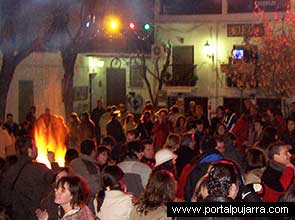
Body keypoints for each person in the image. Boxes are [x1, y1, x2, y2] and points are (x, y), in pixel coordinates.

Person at [0, 136, 55, 220]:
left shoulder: (11, 168)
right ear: (30, 151)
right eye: (35, 146)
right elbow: (57, 178)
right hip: (34, 215)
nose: (37, 149)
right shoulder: (39, 169)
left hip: (16, 215)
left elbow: (4, 196)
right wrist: (52, 162)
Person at [70, 140, 101, 211]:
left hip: (74, 200)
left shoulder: (73, 163)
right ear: (93, 152)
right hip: (88, 204)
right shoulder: (91, 166)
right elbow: (94, 187)